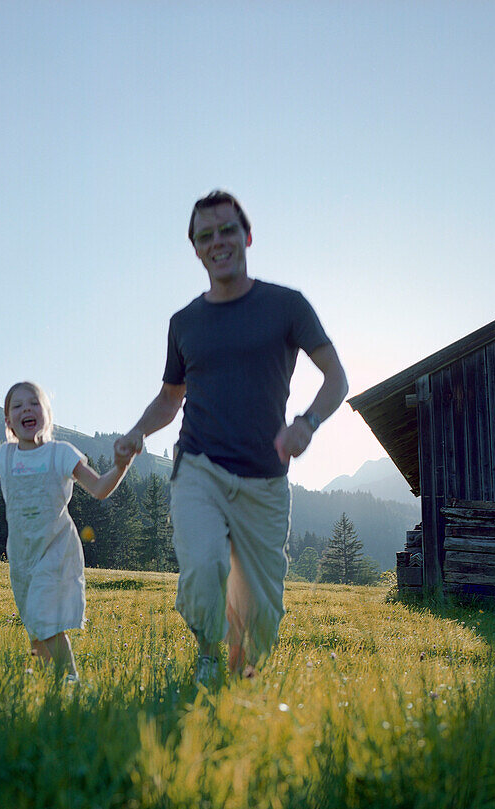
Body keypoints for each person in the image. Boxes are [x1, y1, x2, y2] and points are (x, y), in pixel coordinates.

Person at [115, 190, 349, 684]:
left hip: (265, 479)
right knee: (203, 567)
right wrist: (137, 432)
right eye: (206, 236)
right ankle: (206, 656)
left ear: (247, 235)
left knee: (260, 616)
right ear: (195, 249)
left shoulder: (286, 306)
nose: (217, 242)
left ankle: (242, 679)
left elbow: (336, 378)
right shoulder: (185, 323)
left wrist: (306, 423)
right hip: (199, 467)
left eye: (226, 230)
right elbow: (169, 398)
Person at [0, 381, 133, 680]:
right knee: (35, 625)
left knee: (46, 618)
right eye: (17, 406)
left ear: (47, 414)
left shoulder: (60, 454)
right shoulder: (5, 456)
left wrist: (121, 466)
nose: (27, 408)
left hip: (57, 551)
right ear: (9, 422)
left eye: (34, 403)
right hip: (23, 556)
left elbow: (99, 488)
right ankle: (48, 684)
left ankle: (72, 681)